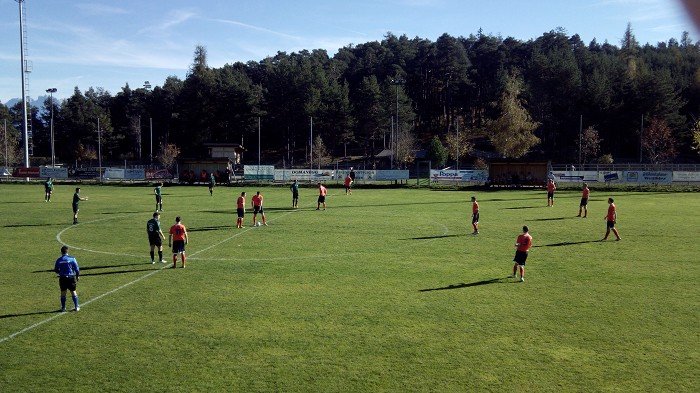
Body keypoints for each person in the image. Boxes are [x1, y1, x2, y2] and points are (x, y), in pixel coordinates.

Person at [54, 245, 80, 312]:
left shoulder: (59, 260)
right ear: (67, 251)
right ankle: (76, 307)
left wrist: (60, 272)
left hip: (62, 278)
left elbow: (56, 270)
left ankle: (63, 308)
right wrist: (77, 276)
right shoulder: (72, 258)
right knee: (73, 292)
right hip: (71, 277)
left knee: (63, 293)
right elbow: (77, 269)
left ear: (61, 252)